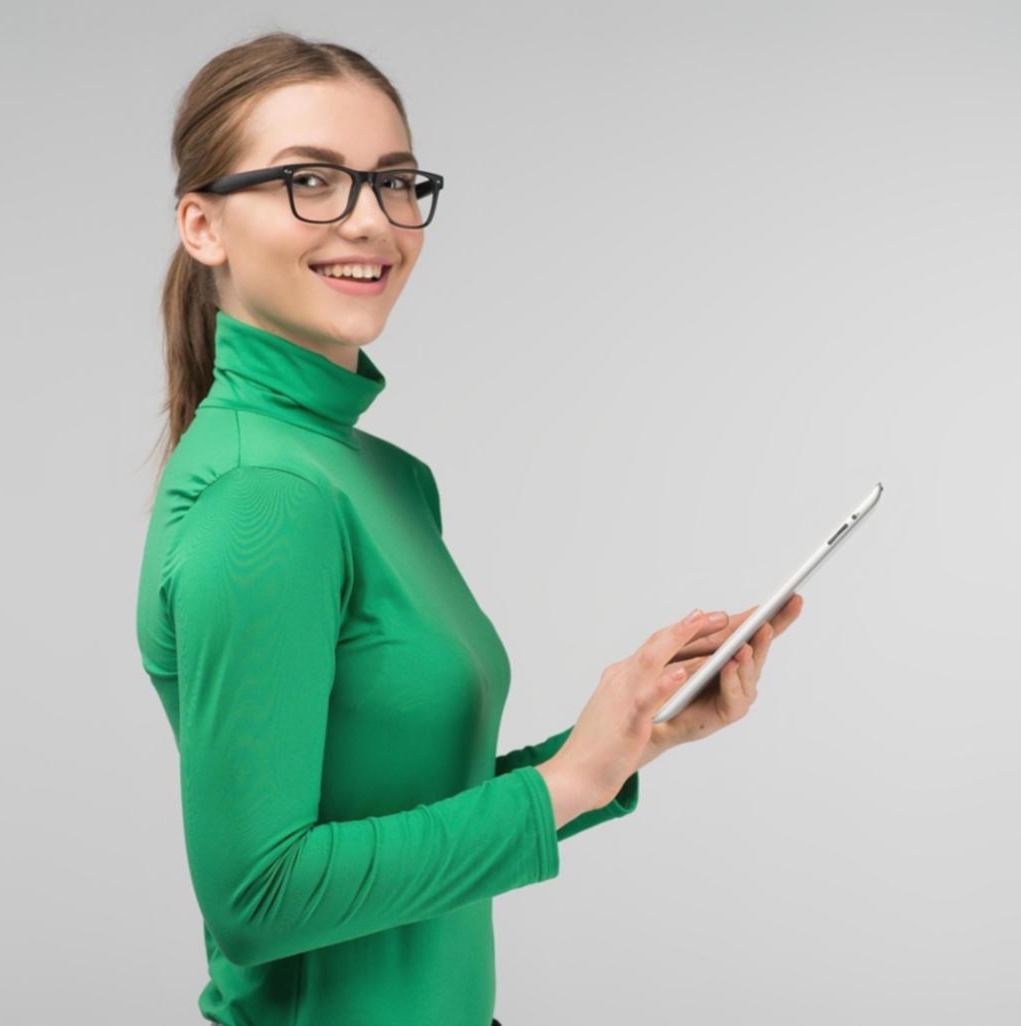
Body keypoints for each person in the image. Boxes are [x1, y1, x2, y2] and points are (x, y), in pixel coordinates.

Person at [134, 30, 803, 1026]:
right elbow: (258, 900)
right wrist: (568, 784)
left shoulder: (385, 479)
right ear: (202, 225)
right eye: (310, 181)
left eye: (395, 183)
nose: (370, 223)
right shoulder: (265, 497)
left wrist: (618, 746)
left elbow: (397, 814)